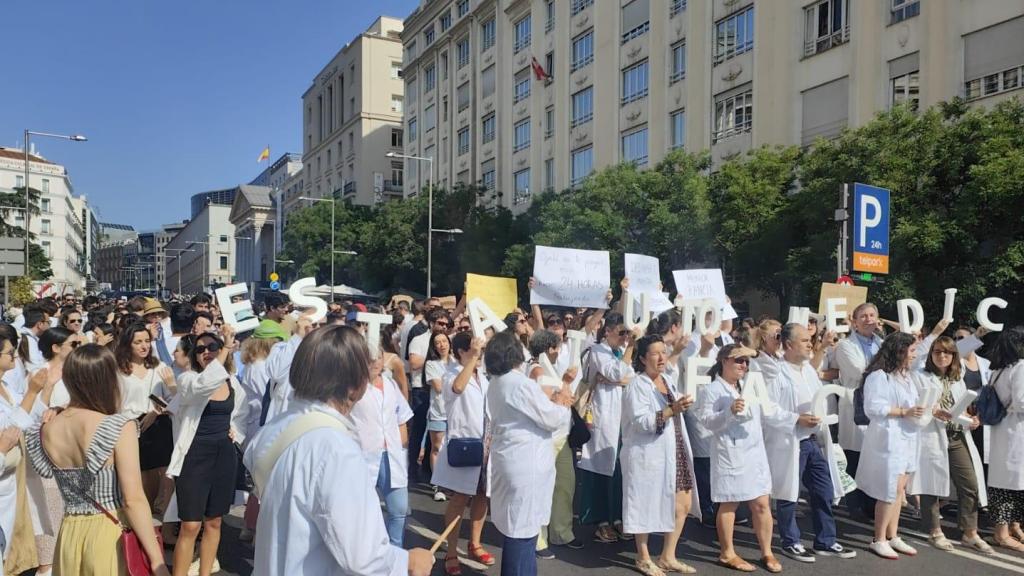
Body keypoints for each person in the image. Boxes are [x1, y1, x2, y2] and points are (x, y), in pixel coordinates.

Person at [243, 325, 434, 575]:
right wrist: (408, 562)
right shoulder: (336, 447)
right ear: (355, 384)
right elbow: (362, 556)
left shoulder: (279, 425)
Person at [25, 344, 169, 575]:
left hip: (69, 533)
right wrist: (156, 560)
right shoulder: (119, 426)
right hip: (110, 532)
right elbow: (133, 499)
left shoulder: (46, 429)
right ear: (108, 379)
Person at [697, 343, 792, 573]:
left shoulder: (751, 386)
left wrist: (754, 352)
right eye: (738, 360)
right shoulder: (711, 390)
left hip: (755, 453)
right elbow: (706, 421)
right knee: (729, 503)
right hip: (731, 453)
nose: (743, 365)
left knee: (761, 504)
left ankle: (767, 552)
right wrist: (728, 412)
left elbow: (770, 389)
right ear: (724, 361)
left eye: (746, 361)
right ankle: (727, 552)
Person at [766, 324, 855, 562]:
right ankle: (790, 541)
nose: (810, 344)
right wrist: (796, 419)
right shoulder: (776, 372)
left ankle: (826, 540)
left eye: (810, 340)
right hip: (791, 440)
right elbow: (768, 410)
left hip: (813, 440)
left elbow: (819, 399)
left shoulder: (807, 370)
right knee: (789, 494)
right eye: (805, 340)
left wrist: (819, 420)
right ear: (788, 345)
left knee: (823, 490)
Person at [486, 330, 571, 576]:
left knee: (518, 530)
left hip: (509, 459)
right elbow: (551, 418)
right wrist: (562, 402)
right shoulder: (520, 383)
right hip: (526, 464)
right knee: (522, 534)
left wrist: (552, 401)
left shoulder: (496, 383)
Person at [168, 327, 247, 576]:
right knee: (190, 525)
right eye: (200, 349)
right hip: (194, 456)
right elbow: (203, 386)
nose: (206, 352)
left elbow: (242, 413)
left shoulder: (232, 383)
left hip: (223, 455)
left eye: (212, 347)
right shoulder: (188, 379)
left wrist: (235, 430)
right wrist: (223, 349)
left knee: (214, 521)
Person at [621, 335, 699, 576]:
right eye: (655, 353)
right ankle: (643, 557)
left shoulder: (667, 379)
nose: (662, 357)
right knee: (643, 503)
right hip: (648, 452)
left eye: (664, 352)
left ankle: (668, 555)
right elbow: (641, 421)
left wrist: (680, 406)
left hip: (674, 448)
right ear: (643, 358)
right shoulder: (637, 385)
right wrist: (670, 410)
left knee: (683, 503)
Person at [910, 335, 992, 553]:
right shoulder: (920, 376)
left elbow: (962, 407)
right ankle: (935, 531)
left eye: (947, 352)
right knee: (931, 484)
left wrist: (971, 419)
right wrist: (934, 410)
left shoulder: (957, 378)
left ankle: (970, 532)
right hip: (932, 435)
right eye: (937, 352)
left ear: (954, 356)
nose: (942, 356)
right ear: (931, 354)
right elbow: (915, 405)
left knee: (970, 484)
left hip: (956, 437)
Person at [855, 332, 926, 559]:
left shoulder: (905, 376)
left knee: (899, 489)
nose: (914, 355)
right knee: (888, 490)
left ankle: (893, 535)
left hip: (907, 437)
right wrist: (904, 412)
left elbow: (914, 404)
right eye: (912, 350)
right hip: (889, 439)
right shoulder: (879, 376)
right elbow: (873, 408)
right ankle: (878, 538)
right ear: (899, 351)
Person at [432, 332, 494, 575]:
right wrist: (473, 360)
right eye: (473, 349)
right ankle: (451, 551)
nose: (479, 354)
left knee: (481, 496)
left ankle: (475, 543)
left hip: (486, 442)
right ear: (461, 352)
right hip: (465, 443)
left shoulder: (483, 376)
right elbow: (458, 387)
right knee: (460, 498)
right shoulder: (450, 374)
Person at [576, 312, 636, 544]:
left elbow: (630, 377)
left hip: (621, 419)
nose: (625, 337)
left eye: (627, 333)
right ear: (608, 330)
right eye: (622, 333)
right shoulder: (597, 351)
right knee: (600, 469)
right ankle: (600, 520)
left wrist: (617, 378)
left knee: (620, 470)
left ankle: (618, 517)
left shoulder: (617, 353)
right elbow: (619, 373)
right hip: (603, 418)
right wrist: (620, 373)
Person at [525, 329, 580, 558]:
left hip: (561, 438)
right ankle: (538, 539)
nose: (559, 352)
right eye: (556, 347)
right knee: (543, 490)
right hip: (545, 439)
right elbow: (551, 403)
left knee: (565, 485)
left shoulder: (549, 369)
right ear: (548, 349)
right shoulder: (537, 371)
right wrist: (566, 384)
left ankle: (561, 532)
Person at [350, 351, 413, 547]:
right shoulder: (352, 386)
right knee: (363, 512)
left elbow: (402, 416)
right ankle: (364, 554)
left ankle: (395, 552)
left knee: (399, 510)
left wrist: (402, 443)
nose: (374, 362)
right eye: (368, 357)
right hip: (363, 456)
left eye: (378, 357)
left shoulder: (390, 384)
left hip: (392, 456)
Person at [115, 322, 176, 511]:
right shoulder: (117, 370)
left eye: (147, 341)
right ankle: (142, 513)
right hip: (131, 425)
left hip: (159, 422)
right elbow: (115, 403)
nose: (144, 346)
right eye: (138, 342)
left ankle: (164, 518)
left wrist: (160, 408)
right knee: (141, 474)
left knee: (165, 471)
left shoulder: (159, 367)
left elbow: (172, 397)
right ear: (127, 345)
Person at [834, 302, 884, 518]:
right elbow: (859, 371)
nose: (868, 319)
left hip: (878, 404)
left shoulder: (881, 343)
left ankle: (871, 504)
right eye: (863, 316)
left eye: (872, 315)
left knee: (873, 457)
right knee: (854, 456)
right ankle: (855, 504)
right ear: (854, 322)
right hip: (857, 403)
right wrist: (886, 366)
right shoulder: (845, 346)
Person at [0, 324, 45, 564]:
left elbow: (28, 413)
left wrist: (45, 401)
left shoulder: (6, 387)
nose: (15, 357)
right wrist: (32, 393)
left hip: (13, 479)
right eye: (10, 353)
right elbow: (9, 431)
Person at [987, 327, 1024, 550]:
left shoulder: (998, 369)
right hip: (1015, 431)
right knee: (1009, 485)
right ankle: (1002, 533)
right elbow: (1021, 401)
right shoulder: (1019, 368)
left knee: (1006, 483)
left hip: (1002, 430)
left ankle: (1011, 527)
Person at [425, 330, 455, 501]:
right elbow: (438, 387)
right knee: (437, 448)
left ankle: (451, 483)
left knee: (452, 449)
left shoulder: (456, 362)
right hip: (438, 412)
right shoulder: (431, 364)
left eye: (444, 341)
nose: (442, 345)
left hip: (456, 413)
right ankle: (438, 485)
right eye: (438, 342)